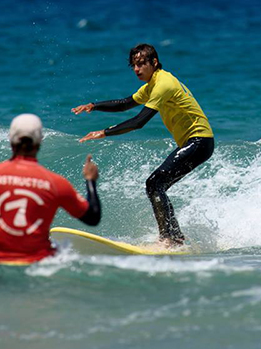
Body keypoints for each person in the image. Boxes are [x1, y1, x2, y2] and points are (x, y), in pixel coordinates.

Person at [72, 43, 214, 246]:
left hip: (199, 141)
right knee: (157, 185)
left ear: (154, 62)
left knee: (154, 184)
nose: (137, 69)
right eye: (134, 66)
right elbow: (125, 104)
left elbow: (139, 122)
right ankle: (175, 236)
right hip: (196, 142)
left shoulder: (163, 84)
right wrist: (94, 106)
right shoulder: (152, 85)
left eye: (141, 64)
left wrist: (104, 132)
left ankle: (169, 238)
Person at [0, 113, 101, 264]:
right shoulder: (55, 182)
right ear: (39, 141)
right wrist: (90, 180)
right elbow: (92, 217)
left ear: (10, 140)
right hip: (39, 267)